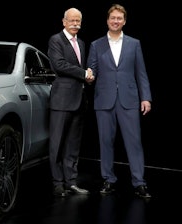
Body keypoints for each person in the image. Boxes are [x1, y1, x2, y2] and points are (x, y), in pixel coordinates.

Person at [87, 4, 152, 198]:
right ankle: (108, 179)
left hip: (129, 100)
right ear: (107, 20)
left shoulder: (134, 43)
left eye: (119, 18)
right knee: (105, 142)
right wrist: (89, 76)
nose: (116, 21)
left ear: (124, 21)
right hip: (104, 100)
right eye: (113, 18)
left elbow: (141, 73)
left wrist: (146, 97)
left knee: (134, 142)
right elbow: (92, 69)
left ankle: (139, 182)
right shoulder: (96, 45)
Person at [47, 7, 94, 197]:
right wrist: (84, 74)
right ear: (64, 21)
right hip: (61, 100)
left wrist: (87, 77)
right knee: (57, 144)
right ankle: (58, 183)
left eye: (78, 21)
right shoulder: (56, 40)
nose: (75, 24)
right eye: (72, 20)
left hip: (79, 100)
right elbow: (59, 64)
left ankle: (71, 182)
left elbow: (79, 68)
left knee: (73, 145)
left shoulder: (81, 43)